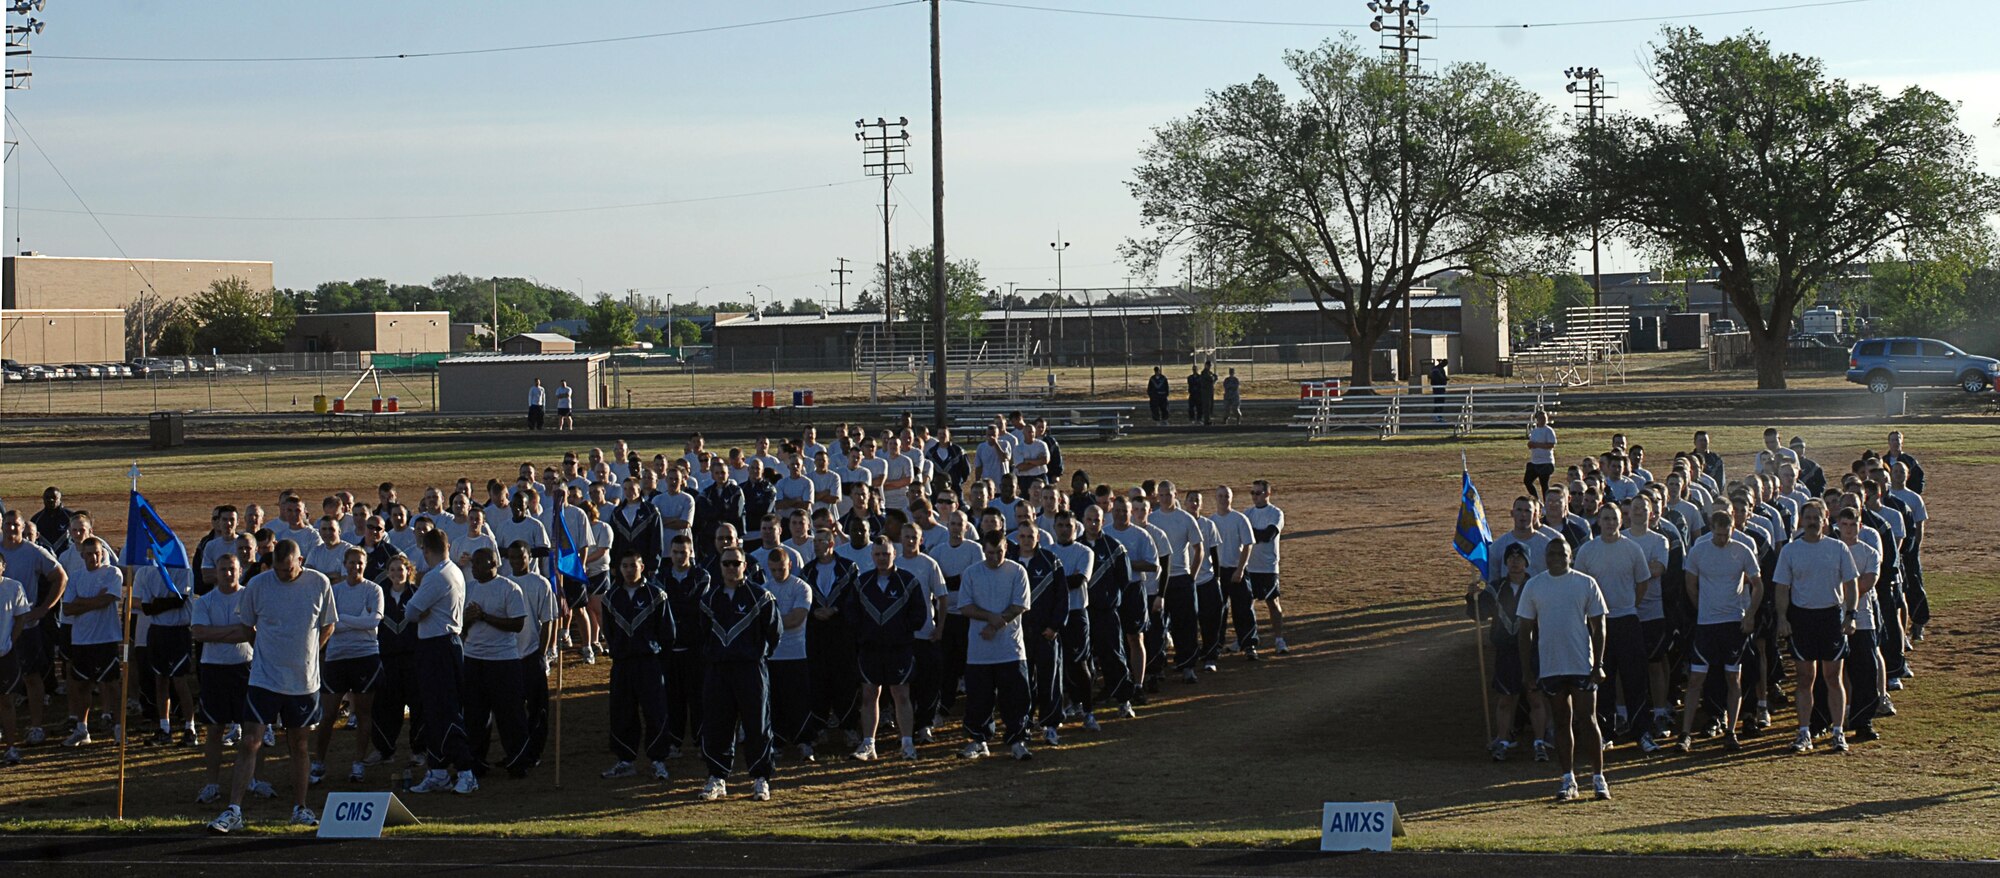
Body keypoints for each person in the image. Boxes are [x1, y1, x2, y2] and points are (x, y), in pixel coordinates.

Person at [206, 539, 337, 833]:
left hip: (303, 681)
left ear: (300, 561)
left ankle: (300, 807)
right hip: (264, 678)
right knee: (250, 740)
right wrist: (265, 651)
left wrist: (312, 652)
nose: (282, 575)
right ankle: (234, 809)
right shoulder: (258, 585)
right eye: (277, 570)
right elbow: (247, 626)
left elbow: (329, 623)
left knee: (299, 744)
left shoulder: (319, 583)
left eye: (288, 570)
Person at [1515, 539, 1609, 802]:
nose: (1557, 557)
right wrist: (1527, 671)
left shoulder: (1585, 583)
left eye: (1562, 553)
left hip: (1581, 663)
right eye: (1552, 553)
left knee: (1588, 720)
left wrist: (1598, 664)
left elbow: (1599, 625)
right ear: (1545, 556)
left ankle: (1598, 778)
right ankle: (1568, 779)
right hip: (1551, 665)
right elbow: (1525, 631)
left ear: (1571, 556)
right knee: (1560, 721)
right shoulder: (1534, 586)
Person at [1772, 501, 1859, 754]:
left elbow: (1851, 584)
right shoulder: (1790, 551)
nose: (1812, 521)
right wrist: (1782, 618)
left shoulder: (1838, 548)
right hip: (1802, 619)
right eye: (1807, 517)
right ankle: (1803, 732)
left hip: (1830, 617)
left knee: (1833, 677)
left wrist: (1850, 615)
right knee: (1804, 678)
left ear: (1825, 520)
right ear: (1801, 520)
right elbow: (1781, 588)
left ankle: (1838, 732)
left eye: (1816, 517)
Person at [696, 548, 780, 802]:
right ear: (720, 566)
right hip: (719, 669)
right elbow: (702, 634)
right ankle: (717, 777)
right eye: (727, 563)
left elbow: (774, 632)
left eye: (736, 563)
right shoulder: (709, 599)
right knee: (717, 723)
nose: (732, 568)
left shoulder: (761, 597)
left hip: (750, 668)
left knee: (757, 723)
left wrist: (755, 653)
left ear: (745, 565)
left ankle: (761, 778)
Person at [1572, 504, 1655, 750]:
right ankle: (1605, 733)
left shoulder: (1632, 549)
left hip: (1627, 620)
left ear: (1622, 521)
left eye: (1614, 519)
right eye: (1605, 518)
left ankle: (1641, 732)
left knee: (1635, 680)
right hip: (1598, 624)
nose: (1610, 523)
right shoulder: (1587, 551)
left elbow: (1642, 583)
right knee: (1601, 680)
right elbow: (1581, 587)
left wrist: (1627, 605)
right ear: (1599, 520)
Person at [1678, 510, 1761, 752]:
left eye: (1726, 534)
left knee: (1733, 677)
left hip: (1733, 623)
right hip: (1706, 625)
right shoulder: (1699, 550)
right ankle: (1685, 733)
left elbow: (1758, 584)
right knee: (1696, 679)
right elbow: (1690, 584)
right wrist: (1700, 608)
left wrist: (1750, 614)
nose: (1722, 539)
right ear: (1711, 529)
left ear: (1732, 529)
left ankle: (1731, 730)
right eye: (1718, 534)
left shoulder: (1742, 551)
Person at [405, 530, 479, 795]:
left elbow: (411, 612)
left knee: (445, 710)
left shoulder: (436, 576)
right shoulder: (454, 570)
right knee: (433, 711)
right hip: (444, 644)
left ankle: (465, 770)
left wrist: (421, 608)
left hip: (437, 646)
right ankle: (437, 771)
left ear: (425, 550)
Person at [845, 537, 927, 762]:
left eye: (886, 554)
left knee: (901, 695)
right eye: (878, 554)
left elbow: (919, 614)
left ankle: (907, 745)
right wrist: (865, 634)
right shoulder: (862, 583)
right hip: (870, 649)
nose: (882, 558)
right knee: (870, 694)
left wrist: (900, 631)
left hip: (899, 648)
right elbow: (851, 614)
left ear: (894, 554)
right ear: (872, 556)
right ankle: (868, 744)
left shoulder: (908, 582)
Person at [956, 530, 1034, 761]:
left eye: (999, 552)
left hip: (1010, 649)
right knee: (979, 698)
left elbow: (1020, 605)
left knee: (1016, 697)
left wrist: (996, 624)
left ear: (1006, 549)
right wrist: (989, 617)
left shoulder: (1017, 571)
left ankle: (1018, 740)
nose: (994, 557)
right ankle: (979, 740)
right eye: (990, 553)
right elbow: (965, 606)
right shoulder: (972, 573)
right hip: (980, 652)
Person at [1466, 544, 1548, 762]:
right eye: (1511, 558)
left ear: (1527, 562)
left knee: (1535, 697)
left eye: (1519, 558)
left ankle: (1540, 742)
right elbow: (1480, 614)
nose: (1515, 562)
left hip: (1532, 651)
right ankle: (1502, 740)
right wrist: (1472, 597)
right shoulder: (1495, 588)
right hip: (1506, 652)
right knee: (1505, 700)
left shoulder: (1537, 586)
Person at [601, 551, 674, 781]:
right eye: (625, 565)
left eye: (633, 565)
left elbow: (668, 633)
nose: (629, 570)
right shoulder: (610, 597)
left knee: (656, 711)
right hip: (622, 663)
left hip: (649, 662)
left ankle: (658, 760)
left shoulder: (657, 595)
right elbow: (609, 632)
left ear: (642, 566)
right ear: (618, 568)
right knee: (622, 711)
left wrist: (654, 651)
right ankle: (625, 760)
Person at [190, 553, 257, 802]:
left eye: (232, 569)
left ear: (240, 571)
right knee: (215, 729)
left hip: (245, 668)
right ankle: (212, 784)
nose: (228, 574)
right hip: (213, 669)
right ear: (215, 573)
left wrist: (219, 632)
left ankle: (252, 779)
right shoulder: (204, 602)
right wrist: (234, 632)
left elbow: (250, 633)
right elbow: (199, 633)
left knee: (252, 730)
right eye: (223, 569)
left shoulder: (249, 597)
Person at [313, 547, 382, 784]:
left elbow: (374, 622)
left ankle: (358, 763)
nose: (356, 567)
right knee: (329, 713)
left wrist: (344, 619)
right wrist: (358, 622)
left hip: (365, 657)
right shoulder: (334, 591)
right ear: (345, 564)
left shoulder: (374, 590)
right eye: (351, 563)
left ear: (366, 564)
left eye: (360, 563)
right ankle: (318, 762)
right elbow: (330, 624)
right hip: (336, 657)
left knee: (363, 713)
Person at [461, 547, 531, 777]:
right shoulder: (469, 588)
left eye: (479, 564)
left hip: (503, 661)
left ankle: (518, 760)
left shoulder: (509, 588)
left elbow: (517, 624)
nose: (474, 568)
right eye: (473, 564)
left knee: (509, 714)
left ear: (494, 564)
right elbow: (461, 629)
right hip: (473, 659)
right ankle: (476, 762)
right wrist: (468, 621)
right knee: (475, 715)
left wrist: (485, 617)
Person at [60, 537, 123, 747]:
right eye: (88, 554)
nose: (93, 557)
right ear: (82, 555)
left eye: (96, 553)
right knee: (81, 685)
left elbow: (108, 599)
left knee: (111, 685)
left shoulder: (112, 573)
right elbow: (67, 608)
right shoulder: (76, 577)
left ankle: (118, 728)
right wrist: (94, 601)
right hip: (81, 640)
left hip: (106, 639)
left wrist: (82, 602)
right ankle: (82, 729)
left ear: (102, 553)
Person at [763, 549, 816, 762]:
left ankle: (804, 742)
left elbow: (797, 619)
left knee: (799, 701)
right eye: (773, 569)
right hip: (772, 655)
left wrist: (773, 622)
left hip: (796, 654)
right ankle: (777, 742)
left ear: (790, 566)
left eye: (781, 569)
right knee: (774, 702)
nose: (777, 573)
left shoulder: (801, 587)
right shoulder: (765, 589)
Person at [1243, 480, 1288, 655]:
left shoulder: (1275, 513)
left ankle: (1279, 639)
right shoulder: (1247, 513)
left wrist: (1250, 533)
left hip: (1268, 567)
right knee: (1246, 605)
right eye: (1252, 493)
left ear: (1268, 494)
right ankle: (1246, 639)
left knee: (1273, 602)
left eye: (1258, 493)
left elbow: (1268, 535)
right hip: (1250, 566)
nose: (1255, 496)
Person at [1525, 410, 1558, 497]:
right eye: (1540, 418)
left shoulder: (1549, 431)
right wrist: (1530, 445)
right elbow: (1531, 444)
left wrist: (1536, 445)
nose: (1543, 420)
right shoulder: (1534, 431)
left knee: (1544, 485)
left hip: (1546, 462)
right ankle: (1536, 500)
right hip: (1535, 461)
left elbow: (1551, 445)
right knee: (1527, 481)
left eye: (1544, 418)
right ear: (1537, 419)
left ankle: (1546, 504)